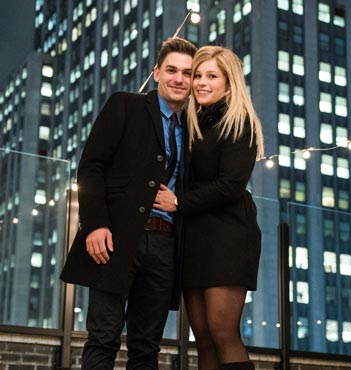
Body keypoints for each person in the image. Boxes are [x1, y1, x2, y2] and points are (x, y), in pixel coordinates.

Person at [60, 37, 197, 370]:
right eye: (172, 70)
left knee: (147, 347)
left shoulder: (194, 130)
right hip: (115, 238)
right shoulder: (125, 105)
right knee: (103, 338)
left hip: (165, 246)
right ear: (157, 72)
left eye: (187, 73)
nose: (179, 79)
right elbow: (91, 167)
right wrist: (94, 224)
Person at [154, 46, 264, 370]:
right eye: (197, 75)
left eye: (211, 76)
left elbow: (230, 186)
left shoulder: (238, 120)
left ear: (229, 84)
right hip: (195, 238)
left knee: (222, 332)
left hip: (227, 237)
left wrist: (178, 202)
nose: (200, 82)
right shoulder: (193, 122)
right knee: (202, 337)